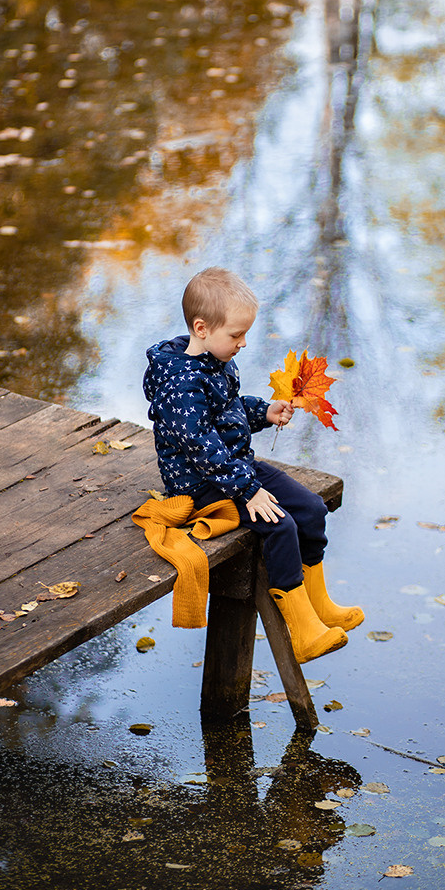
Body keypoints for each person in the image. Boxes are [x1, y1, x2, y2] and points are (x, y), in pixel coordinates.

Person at [143, 266, 364, 663]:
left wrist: (264, 412)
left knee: (311, 509)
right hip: (200, 483)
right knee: (281, 526)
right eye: (237, 335)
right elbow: (199, 443)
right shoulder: (178, 381)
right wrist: (247, 490)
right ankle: (302, 631)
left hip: (234, 467)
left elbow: (229, 411)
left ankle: (318, 604)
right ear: (202, 328)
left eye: (245, 334)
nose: (243, 343)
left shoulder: (216, 361)